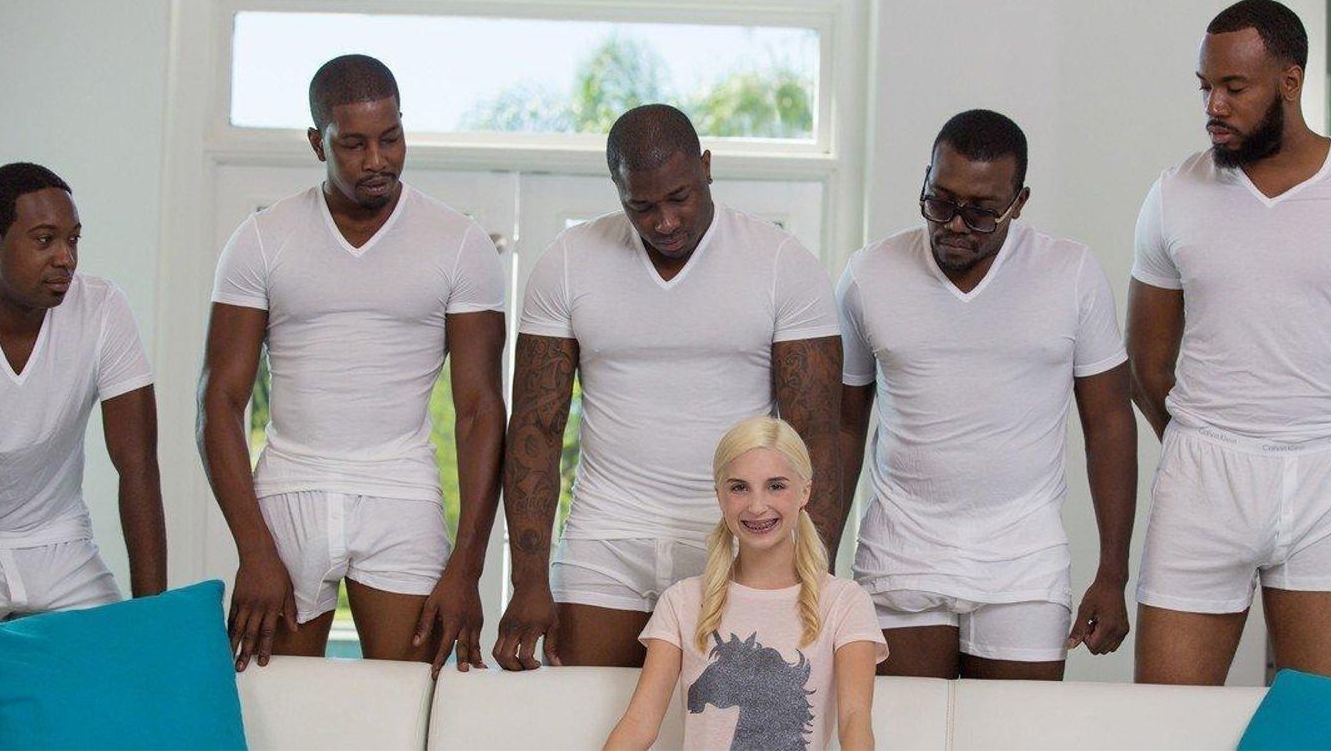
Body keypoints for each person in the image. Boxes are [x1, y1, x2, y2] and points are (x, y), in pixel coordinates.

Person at [495, 104, 844, 670]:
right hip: (605, 534)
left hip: (733, 532)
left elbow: (815, 438)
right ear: (617, 190)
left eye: (680, 197)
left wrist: (808, 574)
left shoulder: (782, 263)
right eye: (642, 205)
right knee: (588, 707)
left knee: (723, 712)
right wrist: (528, 581)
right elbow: (536, 426)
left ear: (706, 167)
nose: (664, 222)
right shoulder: (569, 261)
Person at [199, 55, 506, 674]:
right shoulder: (262, 238)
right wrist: (254, 550)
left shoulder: (458, 242)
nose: (377, 160)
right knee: (277, 699)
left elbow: (479, 409)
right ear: (318, 143)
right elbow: (220, 402)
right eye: (354, 144)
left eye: (390, 138)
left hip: (401, 489)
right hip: (290, 487)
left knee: (410, 700)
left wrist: (467, 566)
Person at [1129, 0, 1331, 687]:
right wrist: (1204, 445)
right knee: (1166, 724)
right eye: (1205, 87)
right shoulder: (1174, 194)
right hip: (1203, 477)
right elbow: (1147, 363)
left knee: (1327, 724)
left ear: (1290, 81)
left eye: (1234, 87)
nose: (1213, 106)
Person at [839, 110, 1137, 680]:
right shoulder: (869, 275)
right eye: (939, 201)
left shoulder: (1070, 272)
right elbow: (844, 427)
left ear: (1018, 203)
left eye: (980, 212)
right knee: (903, 725)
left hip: (1024, 560)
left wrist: (1113, 574)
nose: (955, 224)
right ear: (926, 179)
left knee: (1017, 726)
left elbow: (1109, 423)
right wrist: (813, 569)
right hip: (899, 552)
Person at [0, 162, 166, 659]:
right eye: (45, 240)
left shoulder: (104, 308)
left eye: (73, 240)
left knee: (124, 668)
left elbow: (138, 466)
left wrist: (151, 619)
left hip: (59, 544)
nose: (66, 258)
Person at [606, 417, 884, 751]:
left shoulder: (845, 602)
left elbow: (855, 719)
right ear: (720, 497)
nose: (757, 506)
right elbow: (639, 722)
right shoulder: (682, 601)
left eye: (776, 486)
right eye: (739, 487)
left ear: (805, 492)